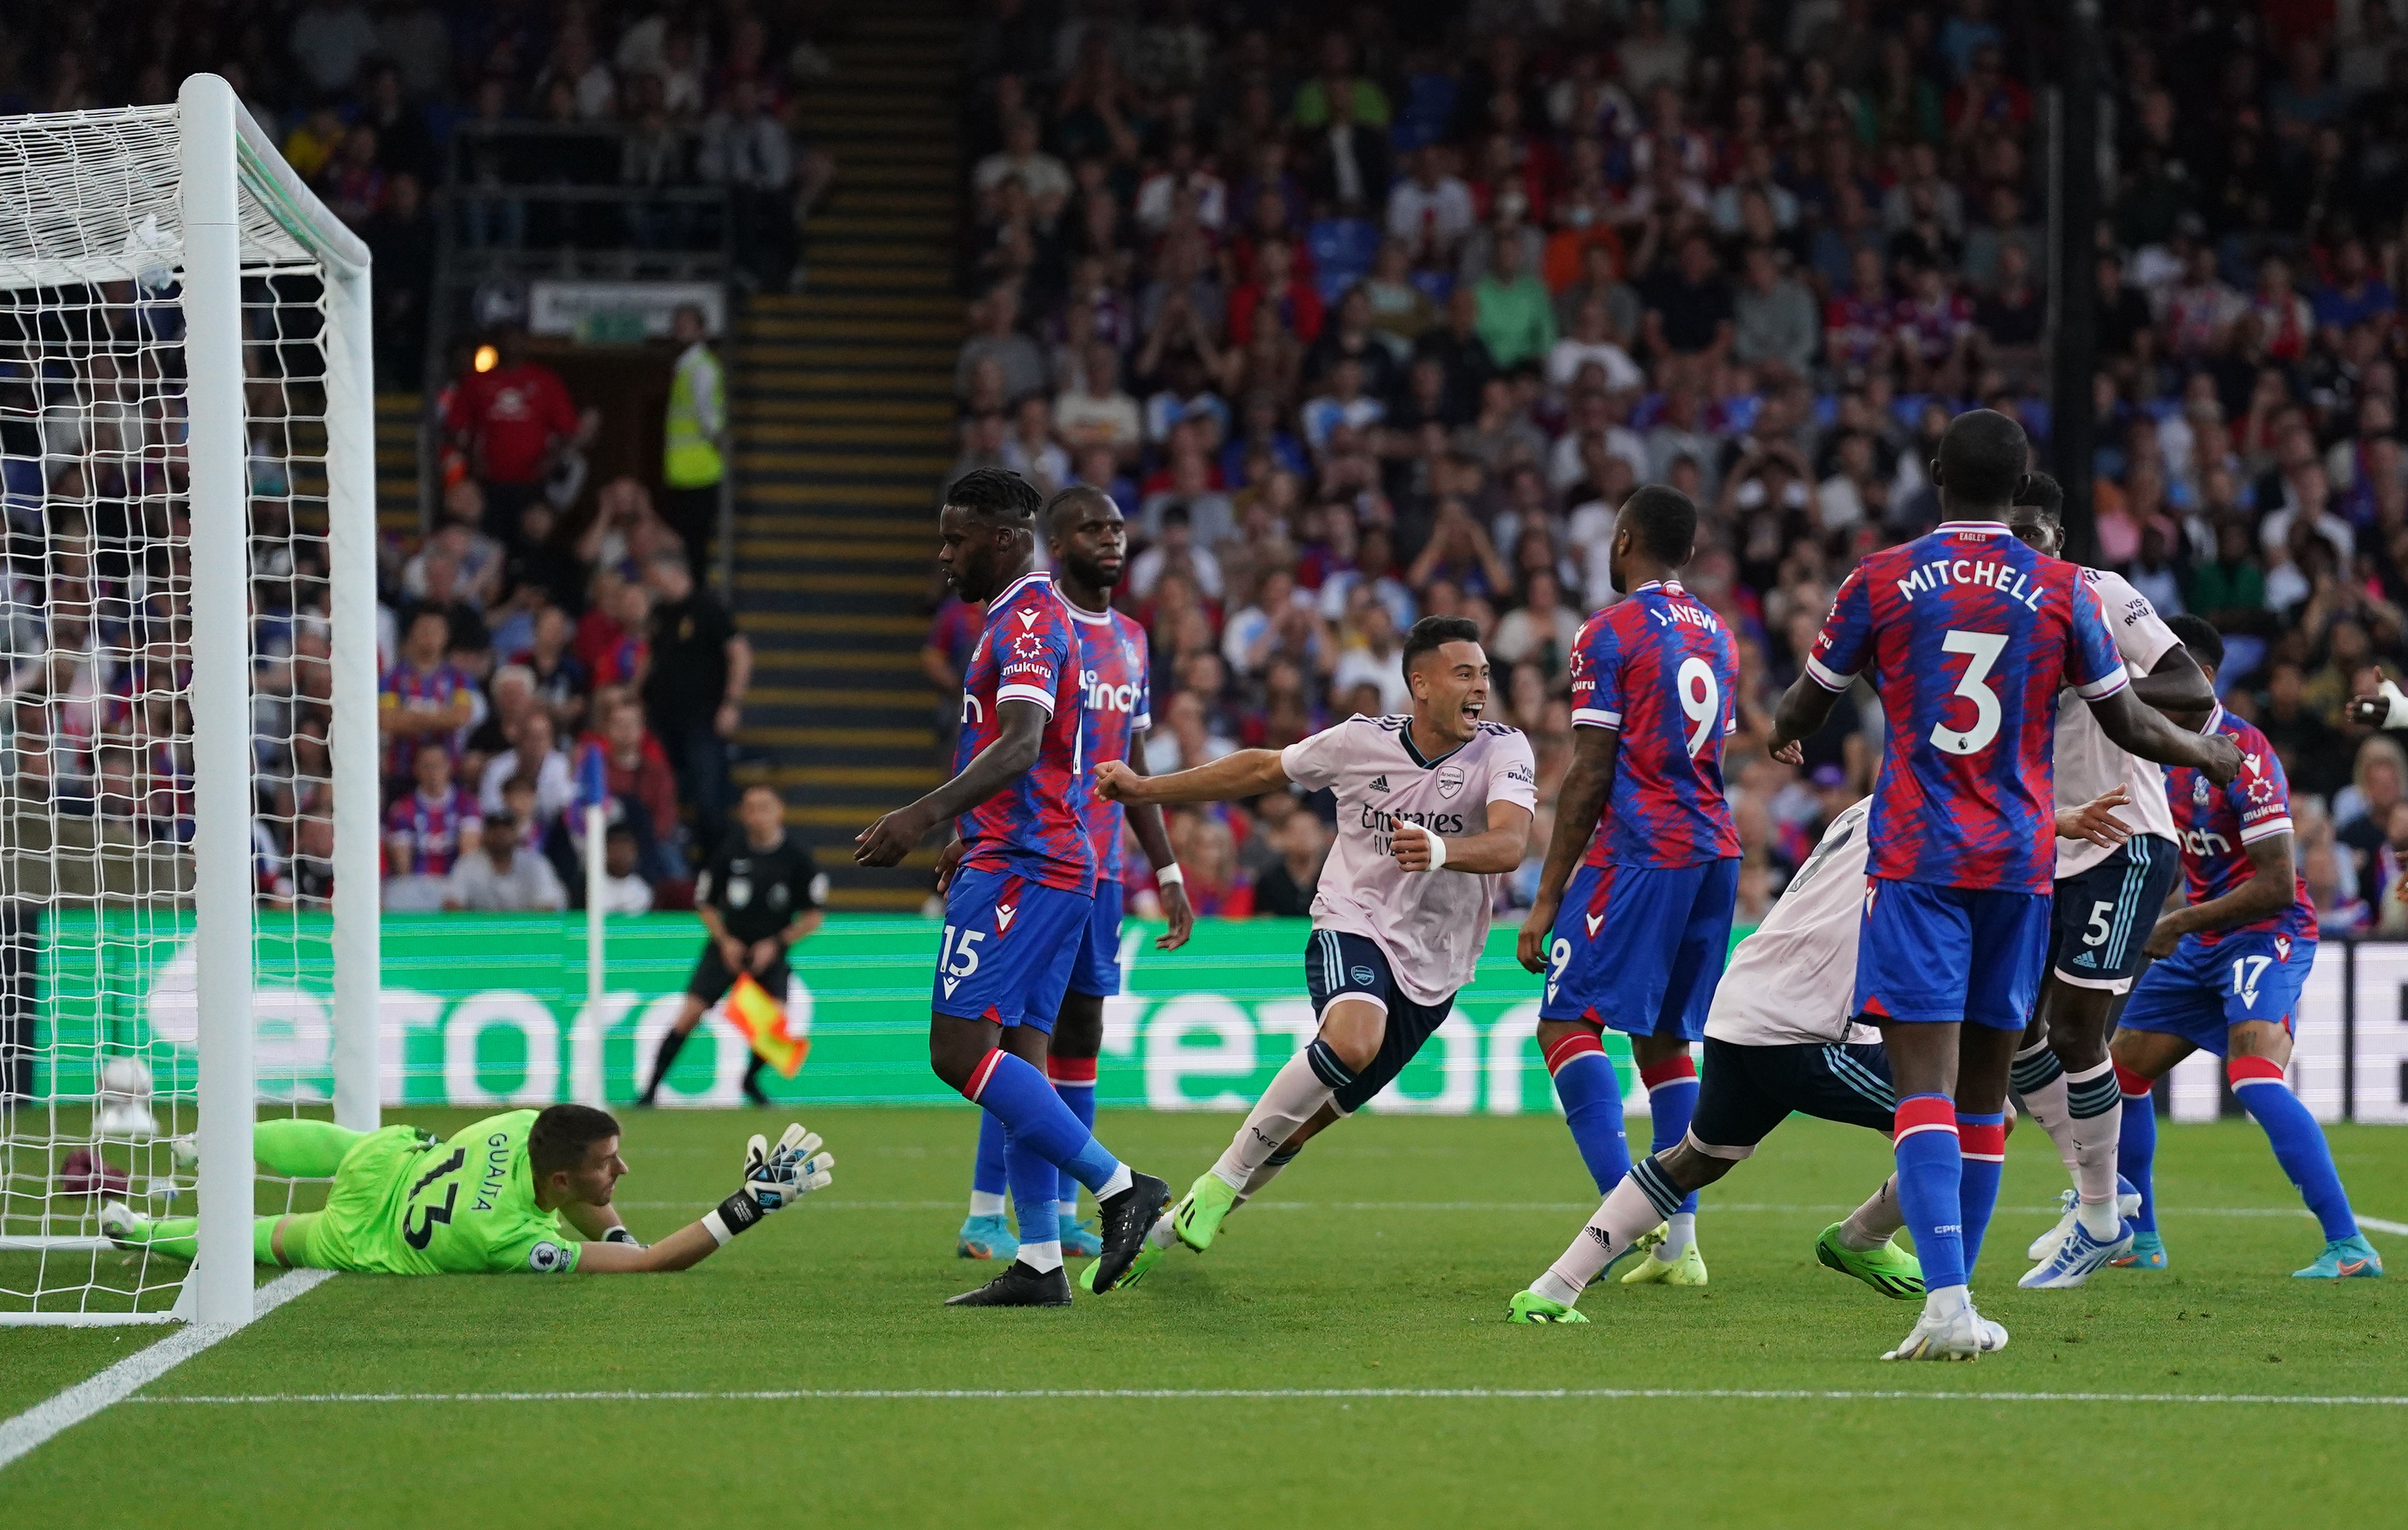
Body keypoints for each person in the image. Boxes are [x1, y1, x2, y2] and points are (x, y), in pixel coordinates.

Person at [1764, 409, 2241, 1361]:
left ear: (1934, 472)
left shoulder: (1881, 576)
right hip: (2019, 864)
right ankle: (1962, 1299)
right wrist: (2210, 753)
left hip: (1915, 858)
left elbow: (1800, 705)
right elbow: (2139, 725)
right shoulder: (2066, 587)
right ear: (2019, 479)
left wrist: (1822, 708)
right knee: (1986, 1087)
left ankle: (1943, 1300)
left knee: (1923, 1088)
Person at [1506, 786, 2145, 1325]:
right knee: (1979, 1121)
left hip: (1744, 1004)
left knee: (1699, 1156)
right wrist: (2055, 821)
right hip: (1802, 1029)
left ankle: (1553, 1287)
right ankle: (1864, 1240)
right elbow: (1971, 828)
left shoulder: (1871, 805)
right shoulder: (1918, 812)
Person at [1089, 614, 1535, 1288]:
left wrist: (1441, 849)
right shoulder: (1360, 741)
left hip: (1438, 965)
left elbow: (1510, 843)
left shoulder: (1504, 750)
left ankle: (1157, 1233)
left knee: (1297, 1128)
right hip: (1352, 920)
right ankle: (1218, 1184)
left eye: (1484, 674)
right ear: (1420, 683)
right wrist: (1147, 789)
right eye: (1464, 672)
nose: (1481, 686)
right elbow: (1262, 768)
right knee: (1352, 1040)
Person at [853, 467, 1170, 1306]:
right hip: (1035, 857)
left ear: (1003, 539)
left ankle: (1117, 1188)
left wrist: (920, 818)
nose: (944, 556)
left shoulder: (1028, 618)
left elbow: (1024, 743)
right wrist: (967, 830)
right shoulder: (1024, 616)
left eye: (956, 540)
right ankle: (1038, 1262)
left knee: (958, 1052)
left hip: (1026, 865)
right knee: (1024, 1055)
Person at [951, 486, 1195, 1266]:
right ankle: (991, 1213)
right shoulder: (1045, 626)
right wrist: (961, 827)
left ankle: (1054, 1220)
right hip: (1037, 855)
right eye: (1094, 528)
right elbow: (1002, 740)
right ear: (1053, 542)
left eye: (1120, 527)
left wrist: (1166, 867)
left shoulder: (1128, 639)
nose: (1113, 541)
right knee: (1011, 1036)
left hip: (1088, 867)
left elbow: (1135, 764)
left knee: (1069, 1037)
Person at [2112, 616, 2383, 1281]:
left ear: (2201, 677)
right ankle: (2138, 1237)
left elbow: (2271, 883)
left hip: (2268, 930)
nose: (2145, 690)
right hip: (2202, 934)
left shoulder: (2245, 751)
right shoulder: (2163, 753)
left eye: (2160, 676)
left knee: (2254, 1076)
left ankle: (2349, 1245)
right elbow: (2181, 857)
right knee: (2117, 1076)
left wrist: (2178, 922)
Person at [1514, 485, 1737, 1289]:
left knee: (1565, 1020)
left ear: (1624, 540)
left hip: (1645, 851)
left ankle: (1616, 1219)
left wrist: (1544, 897)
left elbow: (1590, 772)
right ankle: (1678, 1245)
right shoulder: (1717, 633)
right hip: (1715, 851)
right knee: (1664, 1041)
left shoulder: (1608, 633)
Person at [2004, 473, 2216, 1289]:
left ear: (2059, 537)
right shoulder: (1990, 614)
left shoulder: (2102, 594)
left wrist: (2094, 684)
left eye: (2038, 533)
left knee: (2073, 1033)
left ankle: (2102, 1215)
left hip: (2122, 840)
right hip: (2039, 847)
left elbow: (2192, 694)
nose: (2026, 547)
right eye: (2012, 531)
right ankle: (2104, 1190)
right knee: (2013, 1027)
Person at [104, 1106, 831, 1274]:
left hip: (394, 1166)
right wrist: (748, 1207)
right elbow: (651, 1267)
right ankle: (137, 1230)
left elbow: (580, 1198)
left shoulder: (529, 1124)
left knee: (350, 1144)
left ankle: (209, 1146)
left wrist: (613, 1232)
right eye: (609, 1162)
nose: (621, 1173)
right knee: (270, 1240)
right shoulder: (512, 1238)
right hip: (369, 1237)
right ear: (558, 1177)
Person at [639, 784, 826, 1108]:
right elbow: (706, 903)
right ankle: (650, 1090)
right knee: (690, 1015)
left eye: (764, 807)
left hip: (770, 950)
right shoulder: (729, 852)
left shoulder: (797, 858)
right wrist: (725, 941)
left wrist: (777, 943)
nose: (757, 816)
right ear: (743, 814)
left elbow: (813, 917)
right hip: (727, 947)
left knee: (775, 1025)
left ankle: (750, 1080)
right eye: (750, 808)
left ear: (779, 811)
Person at [641, 548, 750, 855]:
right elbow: (650, 657)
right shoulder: (661, 613)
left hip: (702, 718)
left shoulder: (708, 609)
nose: (651, 584)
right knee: (659, 790)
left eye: (655, 578)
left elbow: (740, 653)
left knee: (708, 795)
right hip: (663, 719)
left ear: (673, 574)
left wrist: (732, 703)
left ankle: (715, 862)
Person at [442, 328, 579, 545]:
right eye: (506, 339)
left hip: (533, 481)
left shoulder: (545, 381)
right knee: (489, 538)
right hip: (489, 481)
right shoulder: (476, 382)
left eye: (518, 339)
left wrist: (550, 460)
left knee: (530, 539)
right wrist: (470, 456)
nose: (512, 345)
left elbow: (568, 431)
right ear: (496, 343)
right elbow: (454, 427)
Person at [660, 303, 727, 574]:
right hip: (685, 473)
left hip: (700, 473)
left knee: (692, 548)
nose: (680, 328)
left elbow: (709, 420)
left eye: (687, 323)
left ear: (702, 330)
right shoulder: (686, 367)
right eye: (677, 322)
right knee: (686, 546)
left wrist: (724, 453)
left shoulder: (702, 368)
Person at [444, 808, 569, 912]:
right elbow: (451, 905)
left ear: (516, 834)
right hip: (484, 936)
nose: (500, 834)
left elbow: (548, 906)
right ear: (485, 834)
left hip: (526, 935)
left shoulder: (535, 864)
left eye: (506, 829)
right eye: (494, 829)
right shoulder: (468, 864)